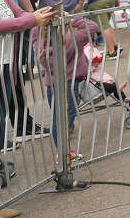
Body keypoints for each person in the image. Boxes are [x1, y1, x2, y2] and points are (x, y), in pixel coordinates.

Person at [0, 0, 53, 182]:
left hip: (5, 62)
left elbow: (19, 13)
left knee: (0, 120)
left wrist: (38, 16)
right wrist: (31, 20)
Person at [33, 9, 99, 163]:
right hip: (69, 83)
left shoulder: (40, 46)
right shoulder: (71, 40)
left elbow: (34, 34)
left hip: (52, 85)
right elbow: (92, 26)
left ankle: (62, 151)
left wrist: (38, 22)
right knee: (66, 118)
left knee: (57, 118)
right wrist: (73, 18)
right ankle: (64, 154)